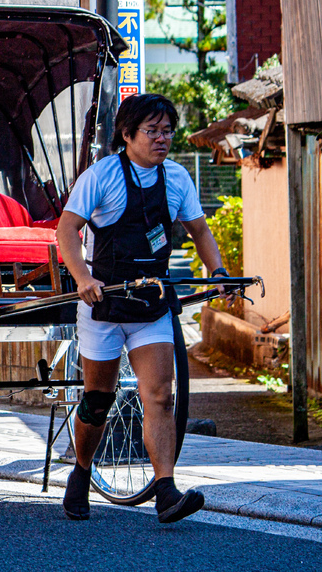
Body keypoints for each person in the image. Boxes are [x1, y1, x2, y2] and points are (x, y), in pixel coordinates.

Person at [55, 93, 231, 523]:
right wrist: (83, 279)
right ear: (128, 135)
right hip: (104, 302)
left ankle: (166, 491)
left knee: (160, 395)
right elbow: (67, 230)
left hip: (151, 302)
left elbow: (200, 232)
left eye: (167, 131)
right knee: (98, 399)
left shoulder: (176, 179)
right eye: (152, 131)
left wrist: (219, 271)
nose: (162, 139)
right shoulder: (102, 175)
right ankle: (80, 473)